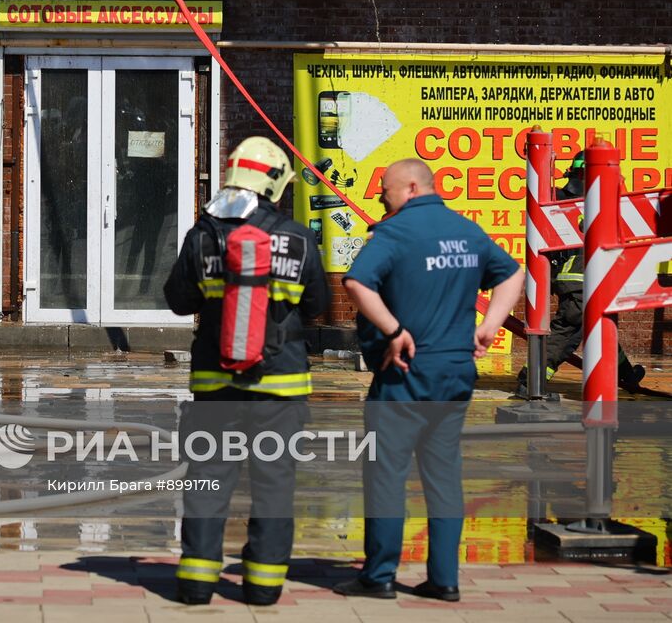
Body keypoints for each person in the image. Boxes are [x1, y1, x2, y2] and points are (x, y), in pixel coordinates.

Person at [333, 159, 524, 602]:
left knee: (386, 474)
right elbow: (513, 273)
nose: (382, 196)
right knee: (443, 476)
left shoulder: (395, 232)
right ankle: (444, 579)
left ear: (412, 188)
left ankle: (378, 576)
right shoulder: (467, 230)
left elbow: (357, 283)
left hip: (406, 373)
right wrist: (490, 324)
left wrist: (394, 331)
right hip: (456, 371)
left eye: (386, 189)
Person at [163, 136, 328, 606]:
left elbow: (177, 302)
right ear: (275, 184)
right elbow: (318, 305)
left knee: (209, 479)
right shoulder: (296, 238)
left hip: (216, 387)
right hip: (281, 387)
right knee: (275, 483)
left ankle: (196, 583)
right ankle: (263, 587)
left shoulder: (204, 233)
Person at [515, 151, 644, 397]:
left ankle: (625, 373)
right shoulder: (594, 201)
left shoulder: (561, 198)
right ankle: (530, 380)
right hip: (581, 278)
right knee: (568, 332)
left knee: (599, 326)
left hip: (578, 278)